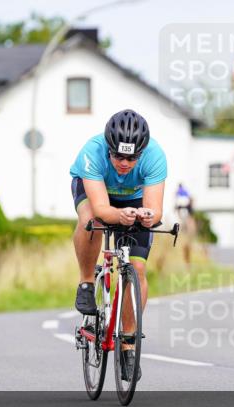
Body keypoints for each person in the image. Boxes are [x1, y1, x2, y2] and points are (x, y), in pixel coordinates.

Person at [69, 110, 167, 357]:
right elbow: (102, 209)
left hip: (134, 198)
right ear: (108, 148)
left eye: (132, 158)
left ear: (142, 152)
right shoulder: (92, 152)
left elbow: (155, 210)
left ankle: (128, 341)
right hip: (97, 192)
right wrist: (119, 216)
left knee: (138, 268)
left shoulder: (155, 156)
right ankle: (86, 282)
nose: (124, 163)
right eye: (118, 156)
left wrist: (147, 217)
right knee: (92, 221)